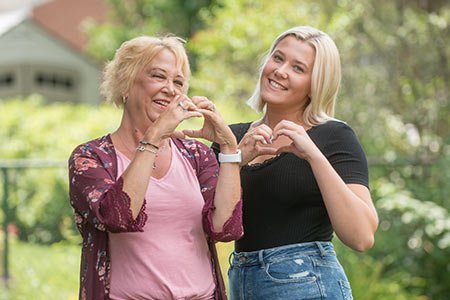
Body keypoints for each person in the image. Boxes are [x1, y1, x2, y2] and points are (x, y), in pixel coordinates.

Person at [68, 35, 243, 300]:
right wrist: (153, 137)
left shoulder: (196, 155)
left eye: (178, 82)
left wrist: (229, 148)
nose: (171, 89)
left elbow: (226, 229)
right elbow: (118, 217)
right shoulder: (90, 157)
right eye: (159, 76)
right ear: (126, 83)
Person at [212, 26, 379, 299]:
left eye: (298, 68)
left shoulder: (334, 137)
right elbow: (207, 224)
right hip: (242, 284)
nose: (280, 70)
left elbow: (361, 237)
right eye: (278, 58)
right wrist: (236, 159)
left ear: (317, 84)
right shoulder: (231, 140)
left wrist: (313, 154)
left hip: (309, 284)